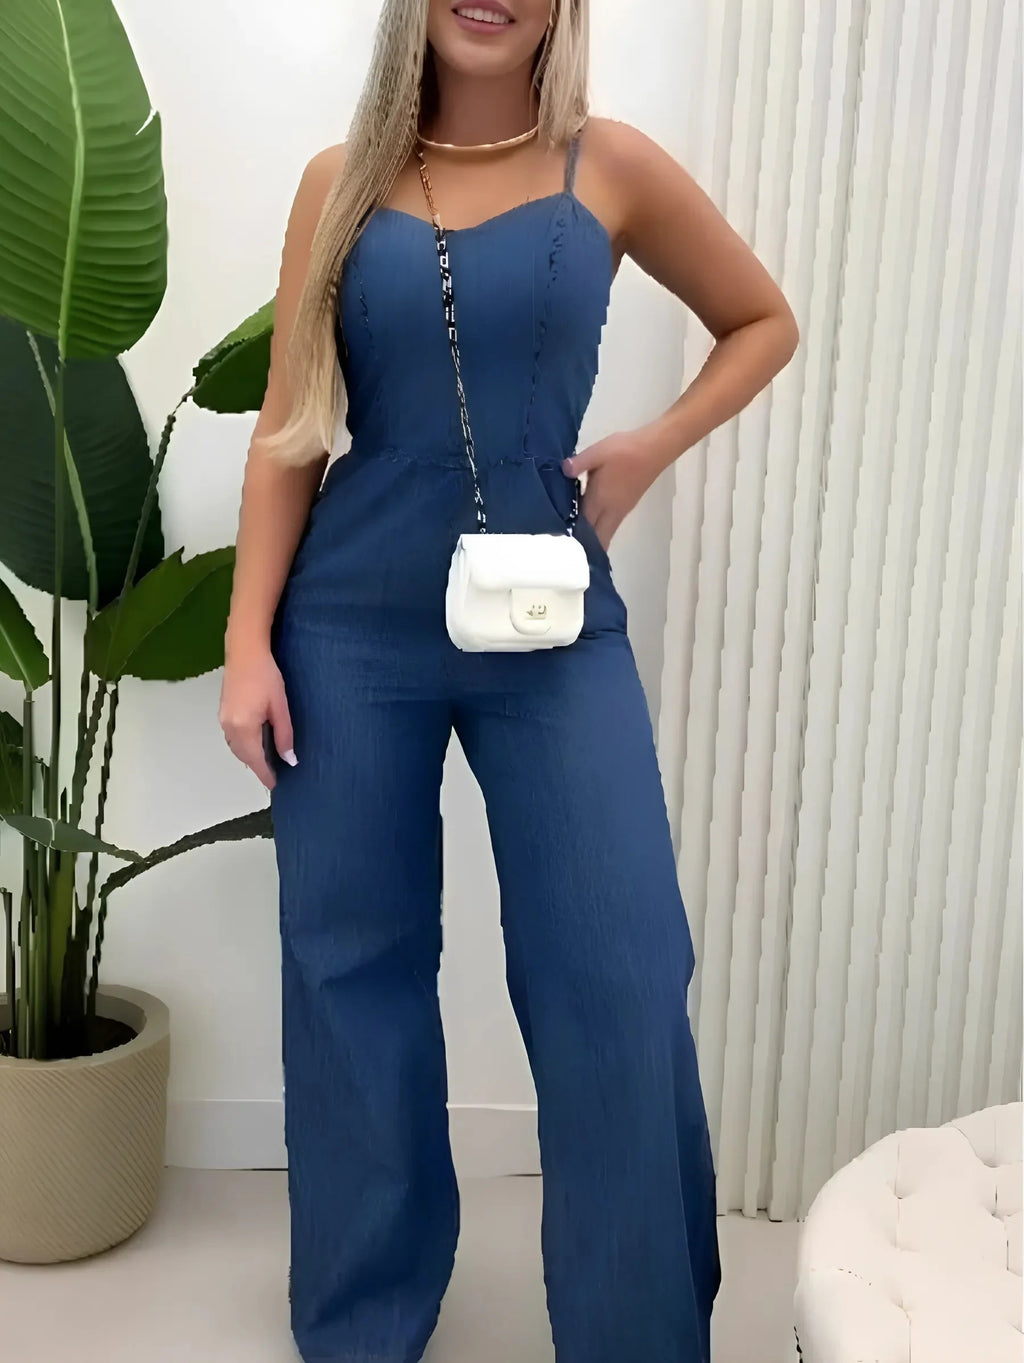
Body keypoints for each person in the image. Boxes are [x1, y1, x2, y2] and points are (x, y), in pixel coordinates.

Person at [220, 2, 798, 1360]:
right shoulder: (340, 180)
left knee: (621, 966)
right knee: (350, 963)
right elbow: (290, 428)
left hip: (550, 619)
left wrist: (650, 445)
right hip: (348, 625)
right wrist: (248, 644)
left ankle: (638, 1331)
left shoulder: (615, 165)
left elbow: (761, 321)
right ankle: (363, 1321)